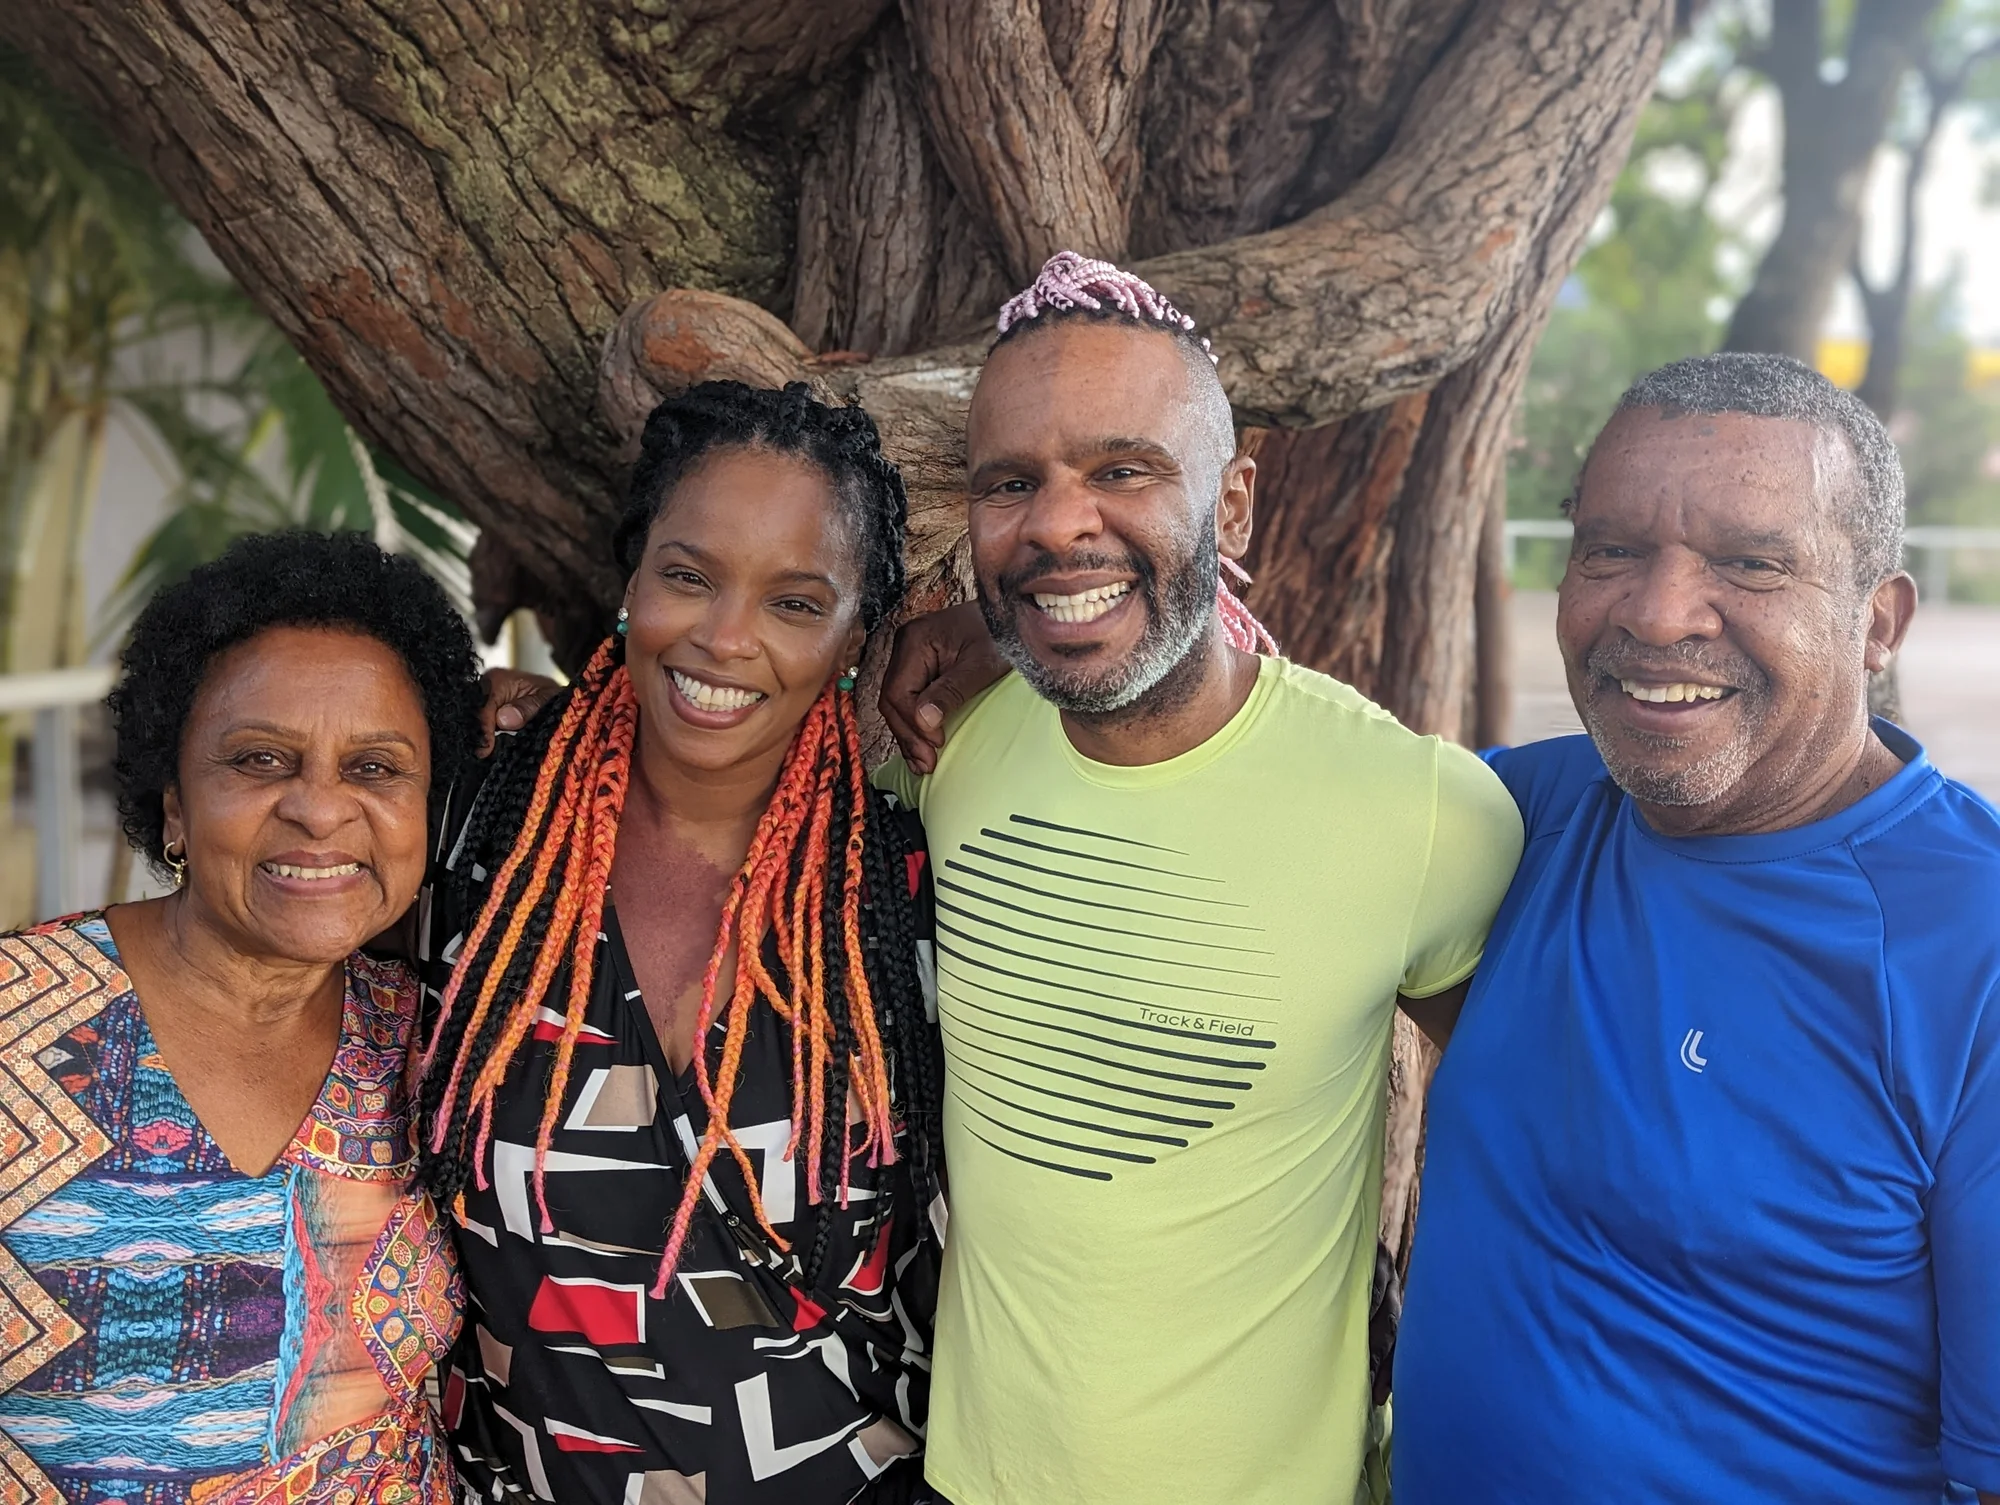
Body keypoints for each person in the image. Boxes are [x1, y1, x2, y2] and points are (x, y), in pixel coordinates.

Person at [872, 252, 1523, 1505]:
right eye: (1014, 482)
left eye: (1123, 469)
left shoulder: (1417, 811)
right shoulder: (939, 746)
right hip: (967, 1478)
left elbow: (1525, 1139)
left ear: (1232, 502)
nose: (1061, 523)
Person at [1392, 354, 2000, 1504]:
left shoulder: (1970, 948)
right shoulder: (1508, 822)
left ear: (1877, 623)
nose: (1657, 610)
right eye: (1610, 548)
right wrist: (1007, 654)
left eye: (1749, 561)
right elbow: (1243, 743)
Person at [417, 382, 945, 1505]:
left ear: (857, 635)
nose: (723, 635)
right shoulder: (478, 839)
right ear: (630, 580)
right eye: (688, 574)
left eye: (795, 602)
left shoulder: (903, 894)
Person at [0, 531, 483, 1502]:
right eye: (260, 759)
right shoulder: (18, 1019)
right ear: (173, 803)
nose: (318, 808)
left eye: (376, 767)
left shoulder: (440, 1040)